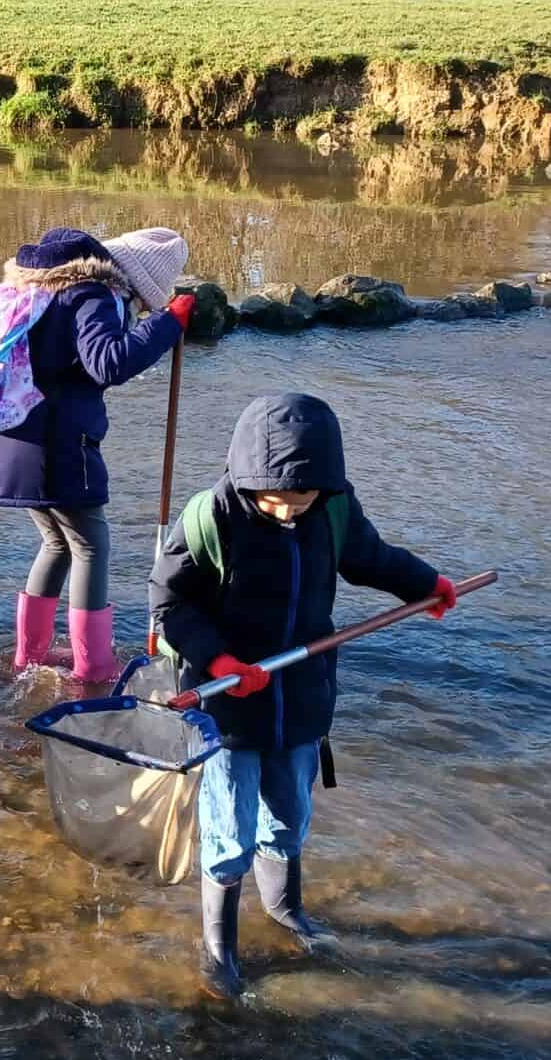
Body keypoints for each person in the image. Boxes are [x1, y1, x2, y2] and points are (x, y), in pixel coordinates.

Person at [150, 392, 462, 998]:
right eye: (276, 503)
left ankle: (286, 907)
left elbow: (372, 559)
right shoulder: (211, 515)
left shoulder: (334, 509)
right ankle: (220, 944)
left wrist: (427, 585)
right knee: (229, 827)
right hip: (227, 706)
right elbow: (169, 604)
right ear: (249, 479)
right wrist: (219, 660)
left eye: (302, 502)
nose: (290, 513)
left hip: (303, 695)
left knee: (290, 812)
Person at [0, 225, 194, 684]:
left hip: (9, 440)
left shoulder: (38, 288)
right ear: (135, 281)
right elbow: (108, 362)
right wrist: (167, 323)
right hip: (56, 446)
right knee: (91, 544)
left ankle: (30, 656)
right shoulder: (94, 293)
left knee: (57, 542)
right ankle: (93, 668)